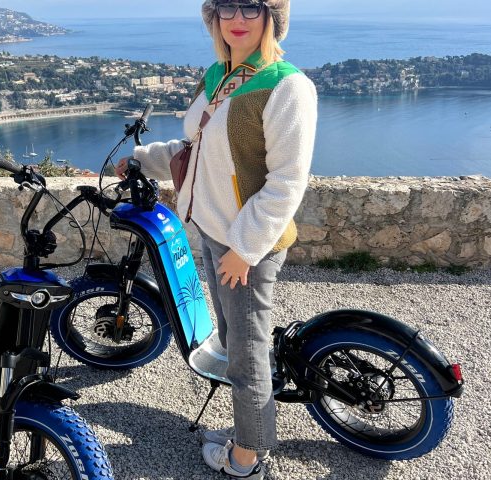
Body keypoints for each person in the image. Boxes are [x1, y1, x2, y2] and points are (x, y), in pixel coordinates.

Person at [116, 0, 317, 478]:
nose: (238, 19)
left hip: (246, 246)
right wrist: (142, 159)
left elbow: (287, 182)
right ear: (214, 18)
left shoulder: (287, 87)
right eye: (227, 7)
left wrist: (244, 250)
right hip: (212, 230)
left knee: (246, 354)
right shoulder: (221, 75)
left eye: (252, 7)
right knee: (231, 339)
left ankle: (247, 456)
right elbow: (197, 149)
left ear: (272, 18)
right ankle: (247, 429)